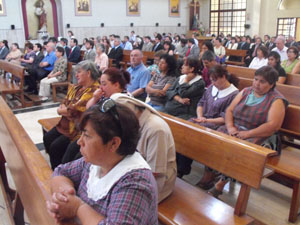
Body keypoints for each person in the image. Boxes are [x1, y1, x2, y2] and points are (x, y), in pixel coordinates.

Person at [46, 100, 158, 224]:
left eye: (87, 135)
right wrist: (64, 196)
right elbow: (61, 171)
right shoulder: (97, 161)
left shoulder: (135, 183)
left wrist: (77, 207)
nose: (79, 142)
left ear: (114, 143)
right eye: (81, 134)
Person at [209, 66, 288, 198]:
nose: (257, 84)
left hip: (261, 136)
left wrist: (248, 134)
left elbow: (273, 126)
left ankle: (220, 184)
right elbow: (229, 110)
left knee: (240, 151)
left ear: (272, 84)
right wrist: (230, 127)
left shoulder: (276, 100)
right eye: (256, 79)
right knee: (215, 139)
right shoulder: (246, 91)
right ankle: (211, 174)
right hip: (236, 129)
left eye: (262, 82)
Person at [176, 65, 239, 179]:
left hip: (216, 124)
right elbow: (201, 103)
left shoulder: (234, 94)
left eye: (215, 80)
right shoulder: (211, 88)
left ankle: (182, 169)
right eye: (211, 80)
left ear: (224, 77)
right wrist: (200, 116)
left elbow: (226, 118)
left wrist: (206, 120)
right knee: (182, 131)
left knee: (192, 137)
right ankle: (176, 166)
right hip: (202, 120)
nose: (213, 83)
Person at [43, 60, 100, 170]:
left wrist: (64, 111)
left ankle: (61, 171)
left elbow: (73, 110)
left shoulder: (94, 90)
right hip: (65, 124)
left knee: (56, 146)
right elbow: (64, 103)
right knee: (47, 138)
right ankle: (56, 168)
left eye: (79, 72)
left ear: (88, 73)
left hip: (75, 129)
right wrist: (66, 109)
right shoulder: (76, 87)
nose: (76, 75)